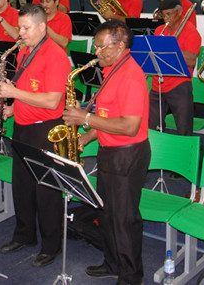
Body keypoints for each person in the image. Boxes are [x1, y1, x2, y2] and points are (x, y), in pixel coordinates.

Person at [62, 20, 150, 285]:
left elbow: (130, 125)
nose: (96, 52)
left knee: (124, 219)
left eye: (101, 47)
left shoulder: (131, 75)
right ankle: (112, 263)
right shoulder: (112, 69)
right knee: (107, 214)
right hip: (110, 150)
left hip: (127, 154)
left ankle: (131, 276)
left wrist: (85, 119)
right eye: (95, 46)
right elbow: (108, 116)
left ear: (120, 46)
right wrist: (87, 137)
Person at [0, 4, 70, 267]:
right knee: (23, 186)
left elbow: (51, 101)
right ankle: (24, 235)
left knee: (46, 190)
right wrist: (12, 108)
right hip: (23, 126)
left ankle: (51, 245)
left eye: (26, 28)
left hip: (45, 129)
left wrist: (14, 94)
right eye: (20, 27)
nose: (21, 32)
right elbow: (29, 90)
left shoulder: (56, 56)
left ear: (42, 27)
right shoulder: (24, 51)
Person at [148, 0, 200, 136]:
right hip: (157, 84)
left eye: (169, 14)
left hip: (179, 85)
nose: (166, 18)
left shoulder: (190, 31)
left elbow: (191, 61)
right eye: (163, 15)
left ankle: (185, 156)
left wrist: (170, 47)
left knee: (184, 129)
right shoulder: (159, 30)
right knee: (152, 127)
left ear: (179, 12)